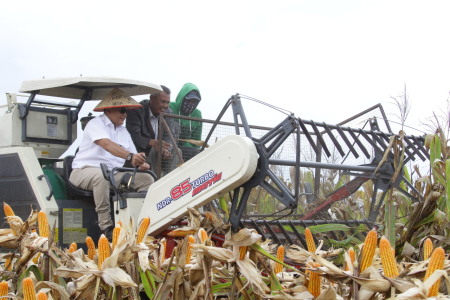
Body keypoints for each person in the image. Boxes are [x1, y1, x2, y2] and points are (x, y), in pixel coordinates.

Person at [70, 88, 154, 240]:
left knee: (147, 179)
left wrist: (141, 163)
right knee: (101, 177)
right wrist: (130, 156)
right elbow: (106, 144)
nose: (125, 114)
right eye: (122, 110)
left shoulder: (123, 131)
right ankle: (106, 227)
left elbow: (133, 156)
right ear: (109, 109)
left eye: (126, 111)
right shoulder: (95, 124)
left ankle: (139, 223)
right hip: (83, 171)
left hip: (113, 173)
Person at [126, 85, 181, 175]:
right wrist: (152, 142)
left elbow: (169, 136)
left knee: (177, 151)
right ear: (151, 99)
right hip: (141, 153)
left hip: (159, 154)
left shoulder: (168, 113)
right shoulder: (136, 110)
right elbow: (133, 136)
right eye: (163, 102)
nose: (165, 106)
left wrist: (167, 149)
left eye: (168, 102)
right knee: (154, 149)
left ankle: (170, 183)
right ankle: (155, 183)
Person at [169, 83, 203, 162]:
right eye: (189, 100)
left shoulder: (197, 114)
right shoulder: (170, 107)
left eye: (194, 101)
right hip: (169, 144)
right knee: (177, 152)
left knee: (200, 153)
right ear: (182, 98)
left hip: (187, 148)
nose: (191, 104)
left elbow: (196, 141)